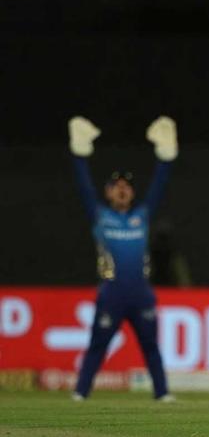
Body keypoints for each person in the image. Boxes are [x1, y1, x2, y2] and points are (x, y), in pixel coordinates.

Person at [68, 115, 178, 401]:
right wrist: (79, 154)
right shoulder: (99, 216)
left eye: (127, 185)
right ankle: (80, 393)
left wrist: (166, 158)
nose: (122, 188)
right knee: (97, 345)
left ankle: (162, 393)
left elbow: (159, 188)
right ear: (107, 191)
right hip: (111, 293)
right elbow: (83, 188)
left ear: (132, 193)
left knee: (151, 346)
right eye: (116, 184)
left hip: (141, 293)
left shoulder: (141, 216)